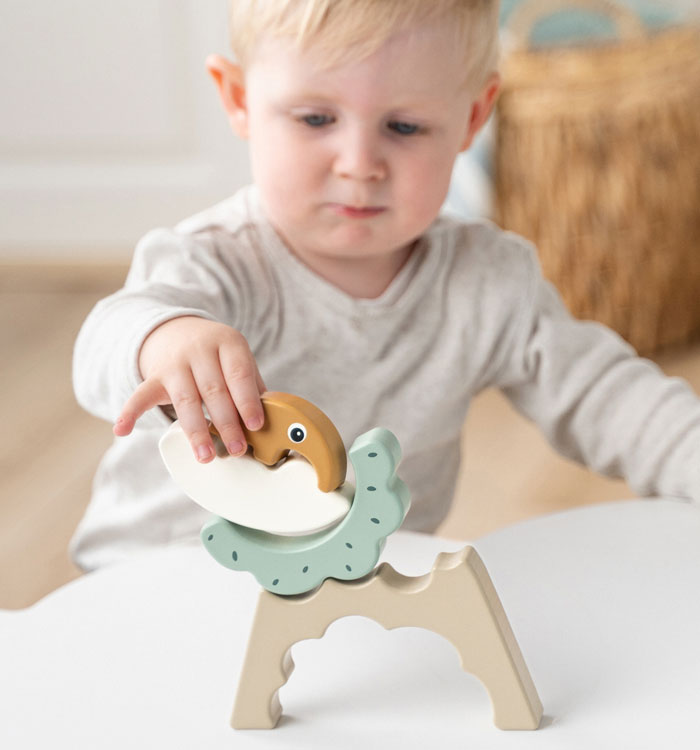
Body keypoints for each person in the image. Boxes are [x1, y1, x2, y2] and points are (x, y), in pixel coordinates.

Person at [71, 0, 700, 570]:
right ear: (238, 99)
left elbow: (609, 398)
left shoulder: (485, 281)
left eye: (405, 128)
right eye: (316, 118)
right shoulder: (218, 262)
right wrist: (164, 337)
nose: (360, 164)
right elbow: (106, 343)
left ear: (472, 118)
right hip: (155, 579)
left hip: (351, 587)